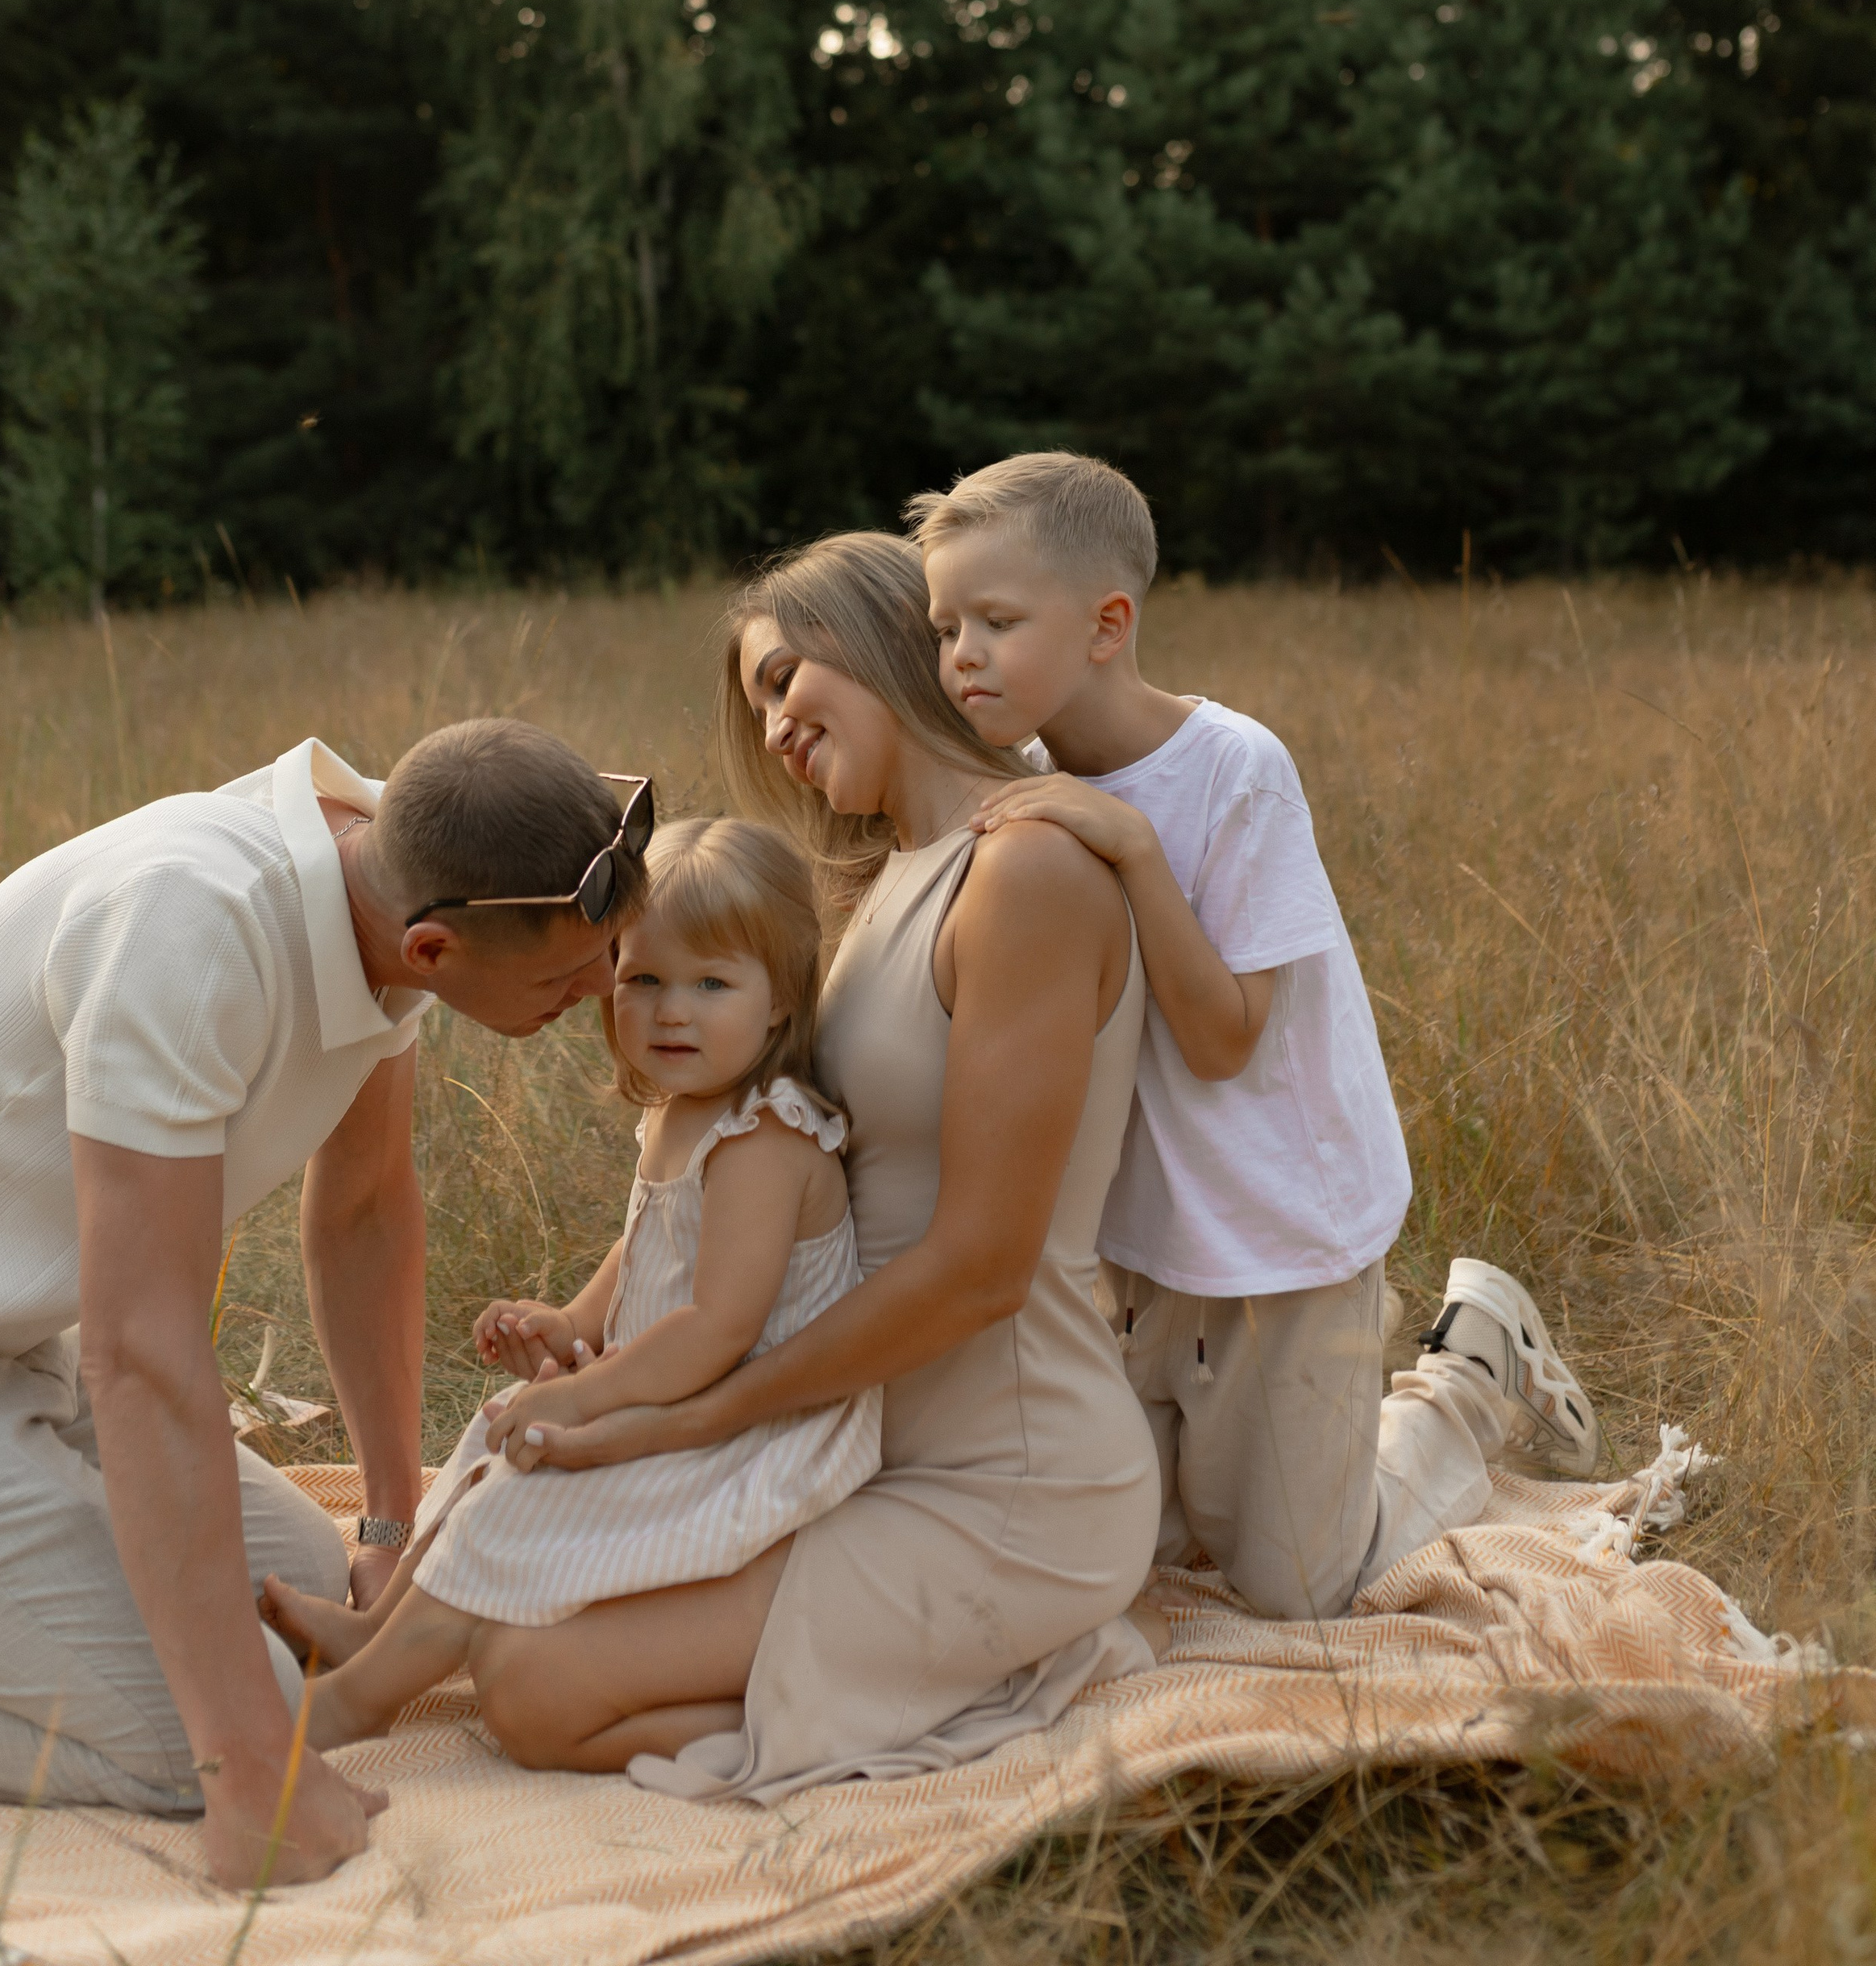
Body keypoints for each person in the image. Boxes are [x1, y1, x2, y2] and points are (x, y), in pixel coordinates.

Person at [0, 717, 648, 1888]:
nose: (606, 986)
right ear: (431, 950)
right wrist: (247, 1768)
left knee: (293, 1597)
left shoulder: (394, 861)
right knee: (204, 1738)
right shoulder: (191, 933)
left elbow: (363, 1209)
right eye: (569, 975)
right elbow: (143, 1353)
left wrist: (390, 1530)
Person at [481, 530, 1162, 1798]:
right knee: (503, 1626)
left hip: (1008, 1479)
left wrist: (695, 1416)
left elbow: (983, 1270)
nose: (775, 727)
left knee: (534, 1692)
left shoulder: (1025, 874)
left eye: (786, 679)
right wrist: (604, 1346)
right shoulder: (887, 884)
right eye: (758, 704)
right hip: (842, 1448)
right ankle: (893, 1674)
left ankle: (1003, 1663)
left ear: (891, 638)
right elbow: (751, 1182)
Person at [909, 450, 1602, 1625]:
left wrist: (1131, 847)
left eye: (997, 621)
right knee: (1133, 1545)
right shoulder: (1015, 780)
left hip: (1278, 1228)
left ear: (1107, 625)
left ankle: (1468, 1373)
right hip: (1141, 1239)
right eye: (944, 627)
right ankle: (1282, 1446)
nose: (961, 654)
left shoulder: (1233, 769)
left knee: (1298, 1583)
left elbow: (1225, 1040)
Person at [259, 816, 883, 1764]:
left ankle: (360, 1701)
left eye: (712, 985)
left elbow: (718, 1327)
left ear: (781, 1001)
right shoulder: (685, 1112)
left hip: (750, 1433)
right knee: (495, 1436)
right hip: (681, 1391)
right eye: (644, 980)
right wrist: (569, 1325)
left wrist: (586, 1395)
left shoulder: (765, 1139)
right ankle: (381, 1628)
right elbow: (644, 1251)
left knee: (529, 1485)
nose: (672, 1013)